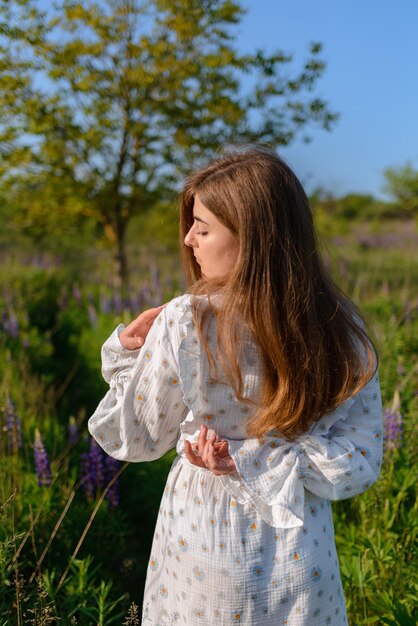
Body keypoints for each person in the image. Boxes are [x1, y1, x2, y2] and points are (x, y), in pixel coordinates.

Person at [88, 146, 383, 625]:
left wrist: (122, 352)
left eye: (202, 228)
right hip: (299, 542)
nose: (188, 239)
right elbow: (359, 462)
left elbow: (136, 438)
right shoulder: (339, 325)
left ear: (254, 238)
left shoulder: (186, 321)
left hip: (204, 541)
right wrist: (273, 458)